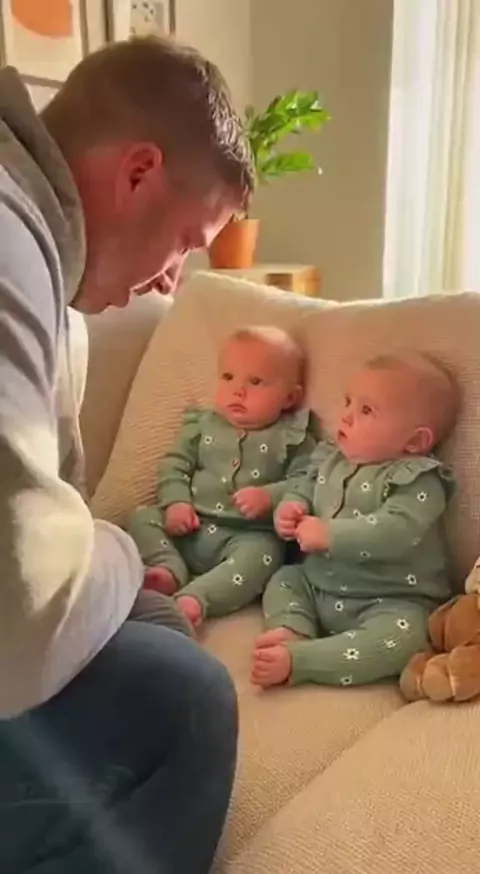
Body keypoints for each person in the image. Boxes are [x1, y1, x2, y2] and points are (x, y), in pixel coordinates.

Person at [0, 36, 254, 874]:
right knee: (189, 704)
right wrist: (114, 550)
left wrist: (104, 567)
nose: (172, 281)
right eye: (185, 240)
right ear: (139, 171)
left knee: (155, 626)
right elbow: (18, 623)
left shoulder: (47, 266)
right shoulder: (9, 248)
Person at [251, 352, 458, 689]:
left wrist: (330, 534)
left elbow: (395, 531)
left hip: (391, 600)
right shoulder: (331, 458)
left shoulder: (418, 480)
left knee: (405, 637)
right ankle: (292, 628)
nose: (346, 416)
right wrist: (290, 508)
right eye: (348, 402)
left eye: (366, 410)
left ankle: (302, 661)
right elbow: (303, 487)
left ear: (415, 441)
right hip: (317, 584)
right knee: (284, 578)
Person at [128, 326, 316, 631]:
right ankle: (168, 568)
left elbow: (309, 481)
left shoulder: (292, 436)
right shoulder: (203, 426)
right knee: (142, 517)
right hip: (191, 525)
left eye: (255, 381)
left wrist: (270, 496)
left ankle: (196, 598)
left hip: (247, 536)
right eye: (228, 377)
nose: (238, 391)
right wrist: (176, 503)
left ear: (289, 397)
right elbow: (175, 465)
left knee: (266, 555)